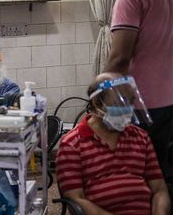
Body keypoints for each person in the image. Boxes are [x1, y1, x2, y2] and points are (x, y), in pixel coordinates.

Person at [103, 0, 173, 192]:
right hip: (168, 101)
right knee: (162, 171)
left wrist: (101, 99)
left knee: (135, 176)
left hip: (141, 105)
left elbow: (120, 58)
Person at [56, 72, 170, 215]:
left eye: (130, 102)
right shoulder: (72, 144)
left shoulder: (140, 137)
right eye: (120, 103)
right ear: (97, 103)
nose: (127, 109)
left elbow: (159, 189)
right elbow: (76, 199)